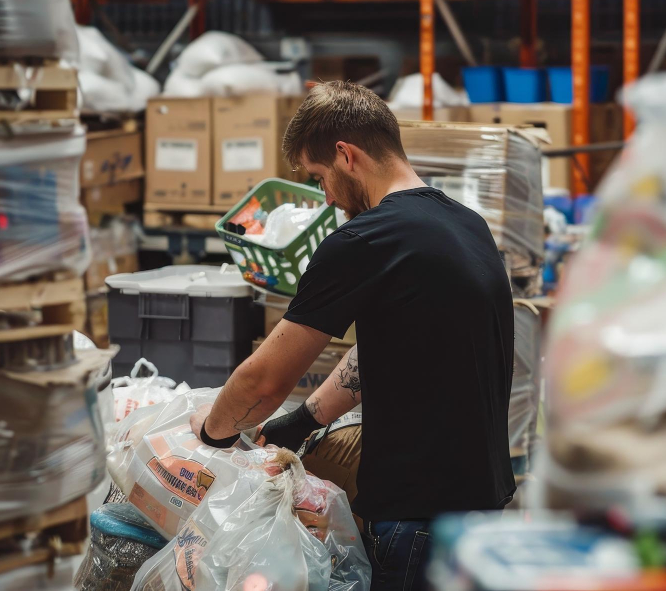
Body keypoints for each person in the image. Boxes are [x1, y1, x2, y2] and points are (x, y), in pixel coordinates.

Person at [189, 81, 515, 591]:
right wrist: (304, 418)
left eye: (320, 177)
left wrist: (212, 436)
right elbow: (396, 346)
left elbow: (264, 380)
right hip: (484, 509)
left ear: (346, 155)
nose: (327, 197)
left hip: (416, 522)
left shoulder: (366, 238)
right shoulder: (465, 225)